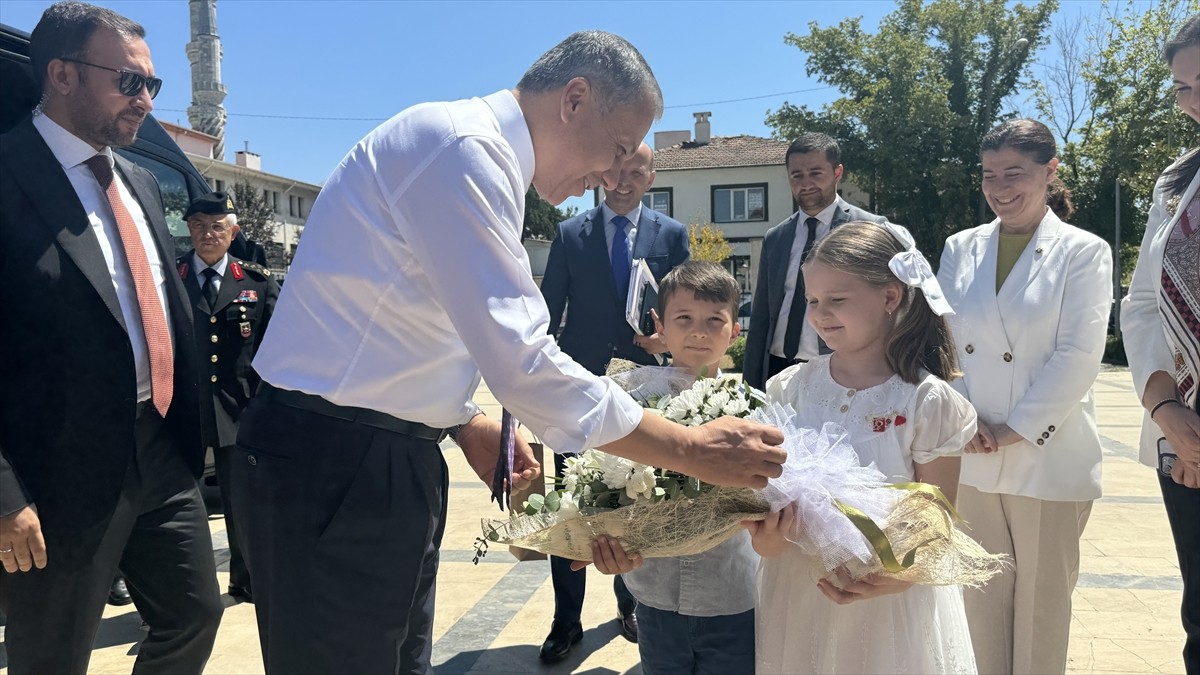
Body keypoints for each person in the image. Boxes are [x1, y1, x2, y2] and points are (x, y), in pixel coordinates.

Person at [230, 30, 786, 675]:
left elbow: (400, 322)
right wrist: (691, 449)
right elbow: (523, 362)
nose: (612, 175)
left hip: (378, 454)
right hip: (333, 459)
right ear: (574, 99)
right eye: (614, 148)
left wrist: (462, 418)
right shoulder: (461, 151)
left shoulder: (473, 156)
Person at [0, 2, 222, 672]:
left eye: (152, 85)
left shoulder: (144, 183)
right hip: (53, 472)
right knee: (52, 657)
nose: (146, 101)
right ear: (63, 75)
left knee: (194, 615)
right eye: (130, 82)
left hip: (158, 451)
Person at [748, 221, 977, 673]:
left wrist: (899, 578)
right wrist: (766, 541)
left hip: (885, 607)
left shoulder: (926, 401)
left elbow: (936, 520)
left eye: (837, 300)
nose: (819, 314)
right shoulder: (789, 389)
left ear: (890, 298)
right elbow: (759, 506)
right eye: (813, 300)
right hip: (799, 594)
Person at [937, 119, 1113, 674]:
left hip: (1047, 454)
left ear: (1050, 170)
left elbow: (1080, 354)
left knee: (1040, 615)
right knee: (978, 609)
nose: (1000, 187)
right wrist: (964, 422)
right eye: (989, 175)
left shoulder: (1084, 251)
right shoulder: (959, 248)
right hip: (974, 452)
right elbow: (941, 342)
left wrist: (1014, 429)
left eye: (1014, 172)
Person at [537, 140, 689, 659]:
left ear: (652, 176)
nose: (624, 179)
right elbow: (545, 315)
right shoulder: (568, 233)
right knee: (570, 506)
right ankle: (566, 620)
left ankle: (632, 605)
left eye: (636, 171)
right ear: (603, 172)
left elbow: (685, 308)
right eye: (617, 169)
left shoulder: (672, 235)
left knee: (635, 498)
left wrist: (667, 342)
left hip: (643, 393)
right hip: (578, 390)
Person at [600, 261, 758, 674]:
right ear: (659, 326)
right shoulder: (630, 400)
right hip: (655, 594)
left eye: (714, 320)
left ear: (735, 330)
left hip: (732, 596)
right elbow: (601, 482)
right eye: (683, 318)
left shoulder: (756, 410)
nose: (699, 331)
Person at [1121, 14, 1200, 673]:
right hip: (1185, 435)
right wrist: (1167, 410)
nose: (1194, 102)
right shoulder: (1175, 184)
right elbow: (1142, 302)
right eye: (1183, 88)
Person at [177, 191, 279, 603]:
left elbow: (275, 351)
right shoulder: (170, 276)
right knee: (180, 505)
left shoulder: (255, 281)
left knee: (242, 504)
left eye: (216, 225)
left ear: (232, 231)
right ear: (189, 229)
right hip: (182, 411)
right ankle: (184, 592)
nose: (207, 233)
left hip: (239, 413)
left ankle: (245, 580)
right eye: (199, 224)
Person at [743, 132, 887, 390]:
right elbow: (761, 317)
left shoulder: (868, 228)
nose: (806, 183)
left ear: (837, 172)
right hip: (778, 368)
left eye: (816, 173)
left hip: (839, 368)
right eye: (797, 175)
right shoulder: (775, 238)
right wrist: (751, 384)